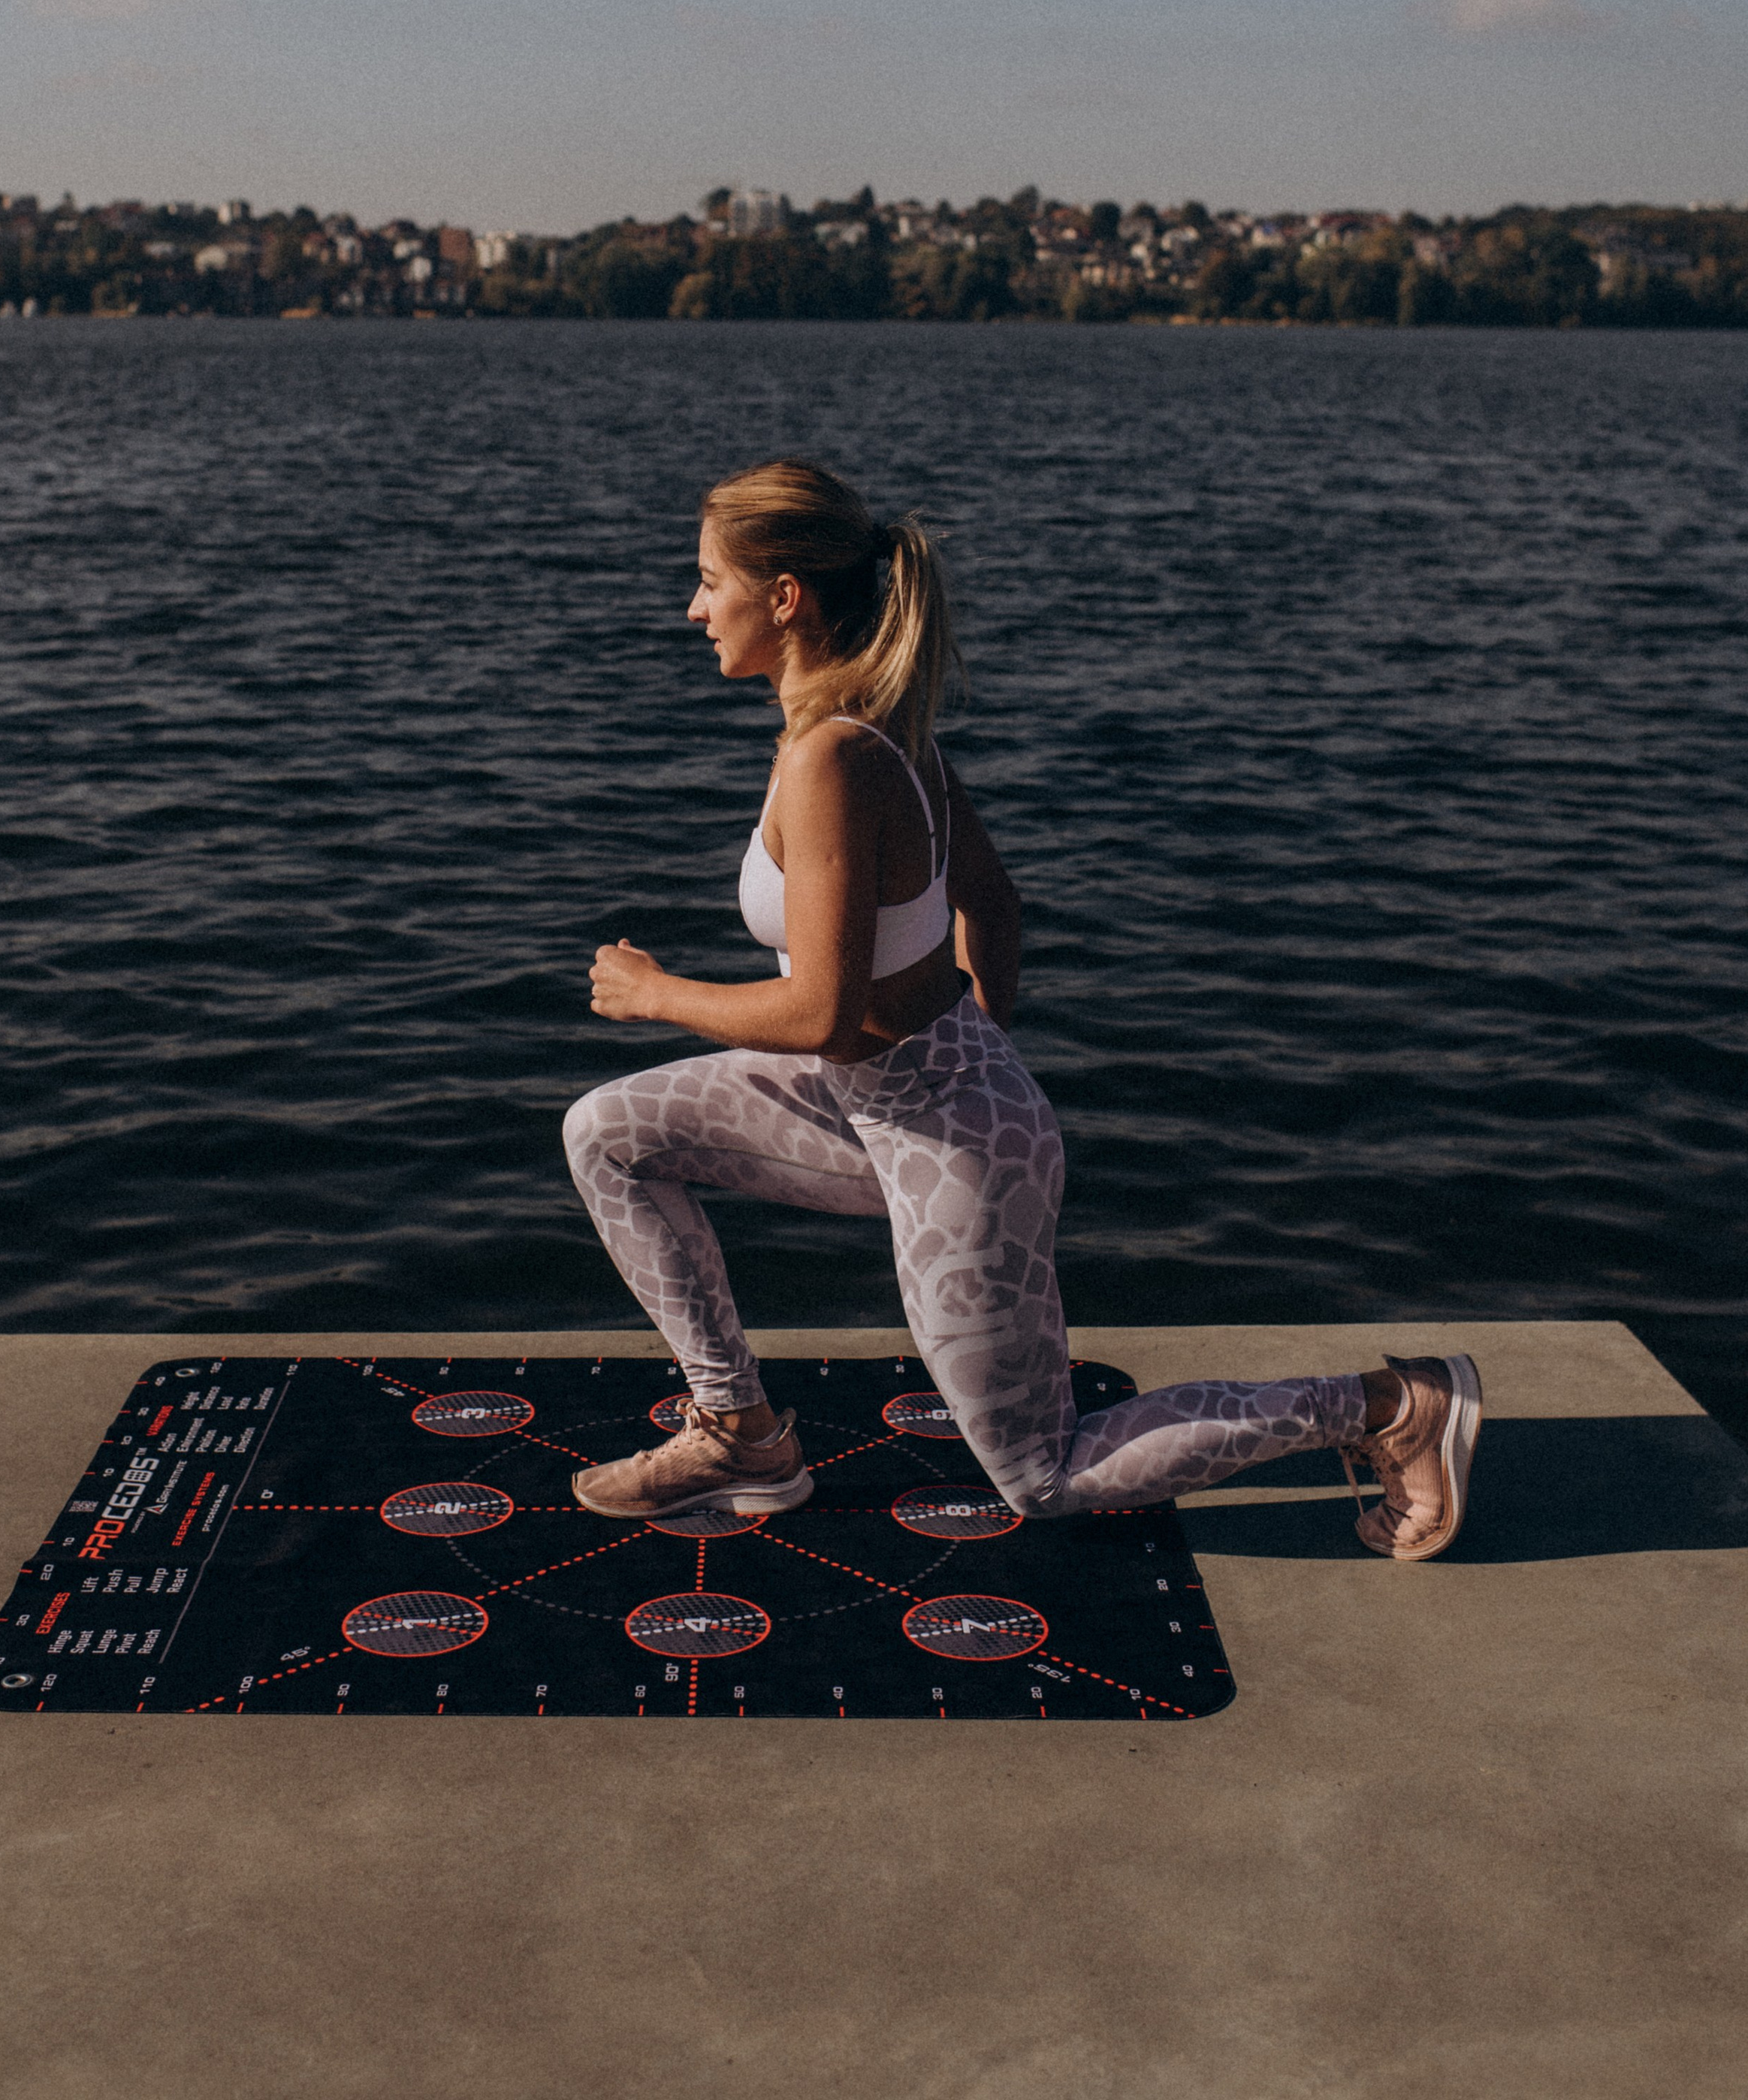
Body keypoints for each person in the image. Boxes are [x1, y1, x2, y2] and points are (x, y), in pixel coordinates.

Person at [563, 458, 1481, 1558]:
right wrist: (970, 1047)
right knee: (610, 1135)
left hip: (954, 1146)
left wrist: (657, 994)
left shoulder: (833, 761)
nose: (694, 606)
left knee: (1043, 1475)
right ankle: (741, 1432)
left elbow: (817, 1012)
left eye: (711, 580)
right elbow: (991, 905)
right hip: (894, 1104)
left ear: (787, 595)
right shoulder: (877, 731)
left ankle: (1393, 1408)